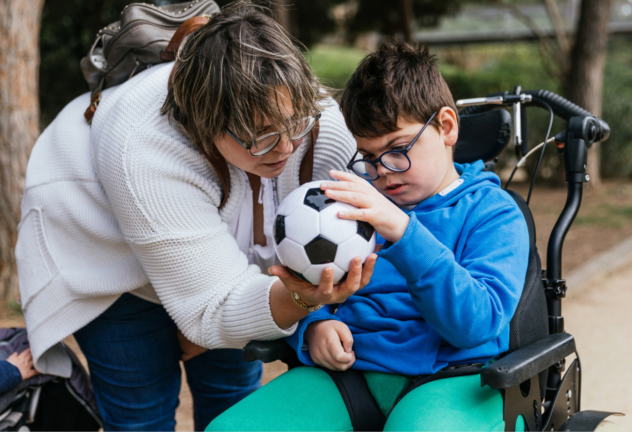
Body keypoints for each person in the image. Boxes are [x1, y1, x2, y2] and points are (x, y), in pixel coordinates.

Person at [15, 3, 375, 431]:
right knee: (140, 412)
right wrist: (296, 301)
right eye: (260, 138)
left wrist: (226, 320)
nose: (285, 147)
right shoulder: (144, 148)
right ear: (205, 126)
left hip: (215, 243)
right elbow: (211, 309)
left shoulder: (315, 121)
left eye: (295, 124)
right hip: (104, 253)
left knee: (232, 397)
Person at [208, 41, 530, 431]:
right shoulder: (347, 206)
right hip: (348, 376)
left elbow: (476, 326)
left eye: (398, 149)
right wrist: (314, 327)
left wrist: (405, 232)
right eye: (369, 157)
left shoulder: (493, 212)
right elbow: (313, 286)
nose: (384, 172)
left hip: (453, 376)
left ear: (446, 126)